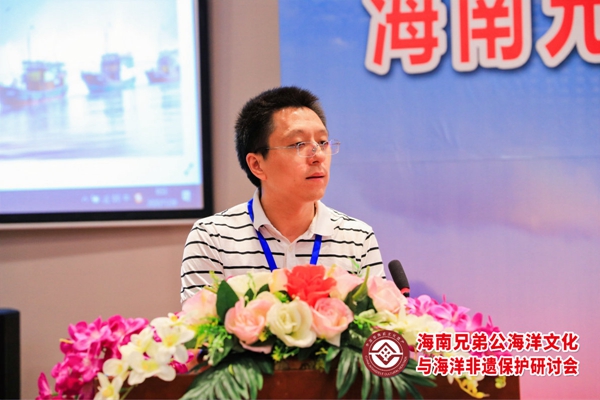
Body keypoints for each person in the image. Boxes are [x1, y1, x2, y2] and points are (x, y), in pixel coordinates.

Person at [180, 86, 384, 303]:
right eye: (298, 144)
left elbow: (378, 321)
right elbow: (201, 323)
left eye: (322, 142)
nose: (318, 156)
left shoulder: (357, 238)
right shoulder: (212, 238)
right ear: (257, 165)